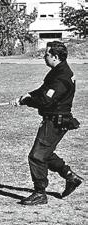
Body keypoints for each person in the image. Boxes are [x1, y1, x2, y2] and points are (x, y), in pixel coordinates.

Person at [9, 41, 83, 206]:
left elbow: (46, 101)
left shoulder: (62, 77)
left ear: (55, 57)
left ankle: (40, 193)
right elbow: (43, 90)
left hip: (56, 121)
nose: (44, 57)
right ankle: (70, 176)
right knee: (46, 154)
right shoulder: (58, 71)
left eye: (47, 54)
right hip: (54, 119)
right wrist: (26, 96)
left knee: (36, 156)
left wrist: (27, 102)